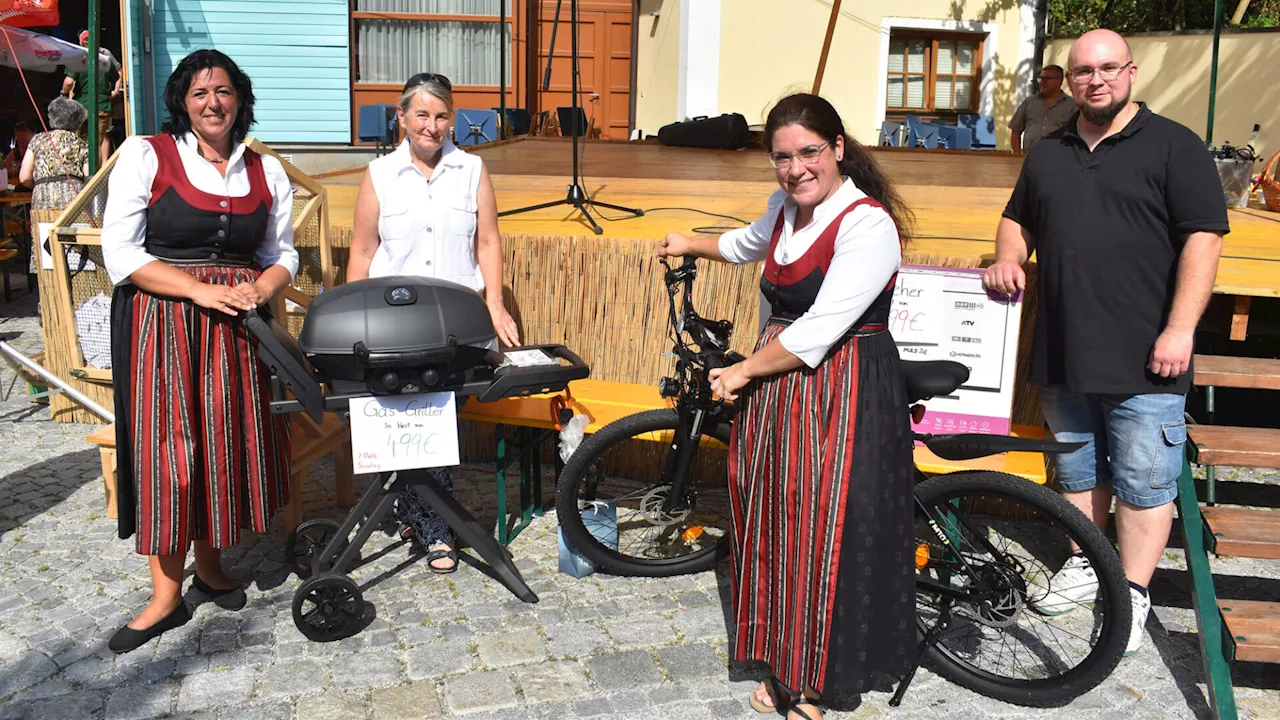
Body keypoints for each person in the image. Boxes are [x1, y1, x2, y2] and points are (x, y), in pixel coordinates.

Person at [659, 93, 914, 719]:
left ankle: (813, 683)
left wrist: (742, 369)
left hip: (842, 385)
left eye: (808, 153)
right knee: (773, 521)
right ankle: (782, 654)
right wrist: (689, 242)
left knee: (822, 530)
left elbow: (819, 330)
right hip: (782, 388)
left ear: (837, 150)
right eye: (782, 157)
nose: (796, 168)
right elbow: (745, 244)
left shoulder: (866, 223)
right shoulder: (784, 209)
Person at [983, 29, 1227, 657]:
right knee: (1078, 469)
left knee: (1145, 482)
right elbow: (1018, 216)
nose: (1096, 79)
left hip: (1148, 352)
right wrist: (1008, 256)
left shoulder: (1176, 146)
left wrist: (1180, 329)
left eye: (1108, 68)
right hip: (1064, 349)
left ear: (1131, 72)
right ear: (1070, 78)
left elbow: (1204, 239)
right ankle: (1087, 563)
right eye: (1084, 70)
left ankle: (1134, 589)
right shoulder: (1048, 150)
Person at [101, 49, 298, 654]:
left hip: (235, 326)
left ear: (240, 97)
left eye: (223, 91)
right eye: (199, 93)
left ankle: (210, 572)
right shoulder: (146, 155)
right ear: (182, 103)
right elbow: (122, 254)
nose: (213, 103)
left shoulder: (265, 171)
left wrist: (261, 287)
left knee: (223, 443)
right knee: (170, 450)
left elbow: (282, 253)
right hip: (162, 325)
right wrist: (198, 290)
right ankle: (165, 596)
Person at [346, 72, 519, 574]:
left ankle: (422, 516)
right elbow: (362, 251)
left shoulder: (472, 170)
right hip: (394, 320)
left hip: (456, 322)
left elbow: (487, 241)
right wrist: (354, 318)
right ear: (401, 117)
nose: (433, 125)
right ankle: (435, 527)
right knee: (409, 417)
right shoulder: (379, 175)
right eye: (422, 114)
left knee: (436, 416)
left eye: (442, 115)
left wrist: (495, 303)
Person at [62, 29, 122, 168]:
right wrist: (112, 91)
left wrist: (64, 95)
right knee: (96, 143)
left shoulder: (77, 58)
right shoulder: (105, 58)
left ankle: (82, 175)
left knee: (79, 142)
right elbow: (116, 77)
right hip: (102, 107)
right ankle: (95, 177)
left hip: (82, 106)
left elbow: (69, 82)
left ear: (81, 43)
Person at [19, 99, 90, 210]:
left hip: (41, 198)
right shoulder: (81, 143)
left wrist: (41, 186)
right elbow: (89, 177)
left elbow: (24, 178)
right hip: (73, 198)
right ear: (77, 120)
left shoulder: (37, 140)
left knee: (44, 227)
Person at [1008, 64, 1075, 153]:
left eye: (1047, 79)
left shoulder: (1072, 105)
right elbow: (1015, 130)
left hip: (1058, 160)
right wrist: (1017, 155)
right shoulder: (1029, 102)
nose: (1042, 82)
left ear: (1060, 81)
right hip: (1029, 158)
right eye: (1041, 78)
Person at [3, 121, 35, 188]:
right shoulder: (15, 152)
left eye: (23, 135)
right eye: (18, 135)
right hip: (21, 187)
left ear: (34, 134)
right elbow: (3, 168)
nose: (20, 138)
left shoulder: (39, 150)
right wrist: (12, 172)